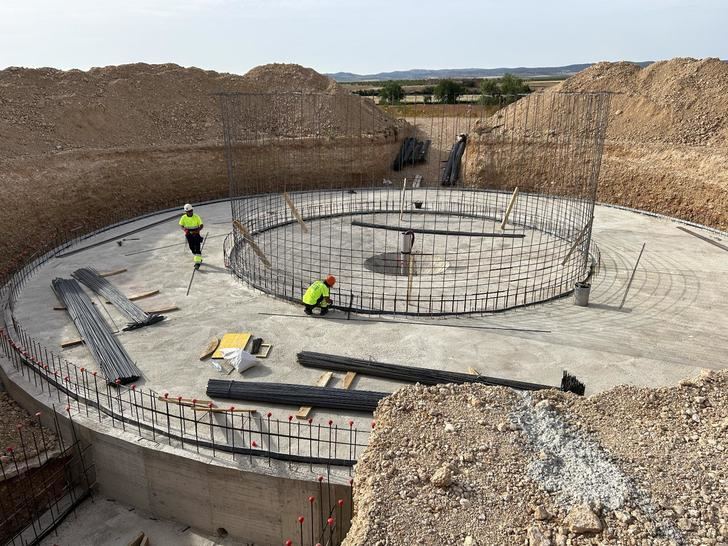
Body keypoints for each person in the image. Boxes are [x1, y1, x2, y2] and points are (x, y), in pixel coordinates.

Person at [179, 203, 204, 268]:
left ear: (192, 210)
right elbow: (181, 225)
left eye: (191, 211)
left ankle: (197, 263)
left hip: (196, 234)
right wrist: (185, 230)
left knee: (197, 248)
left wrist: (197, 231)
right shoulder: (183, 217)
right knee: (192, 248)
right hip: (188, 235)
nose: (190, 212)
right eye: (188, 211)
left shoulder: (196, 217)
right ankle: (198, 257)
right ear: (186, 212)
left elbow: (201, 225)